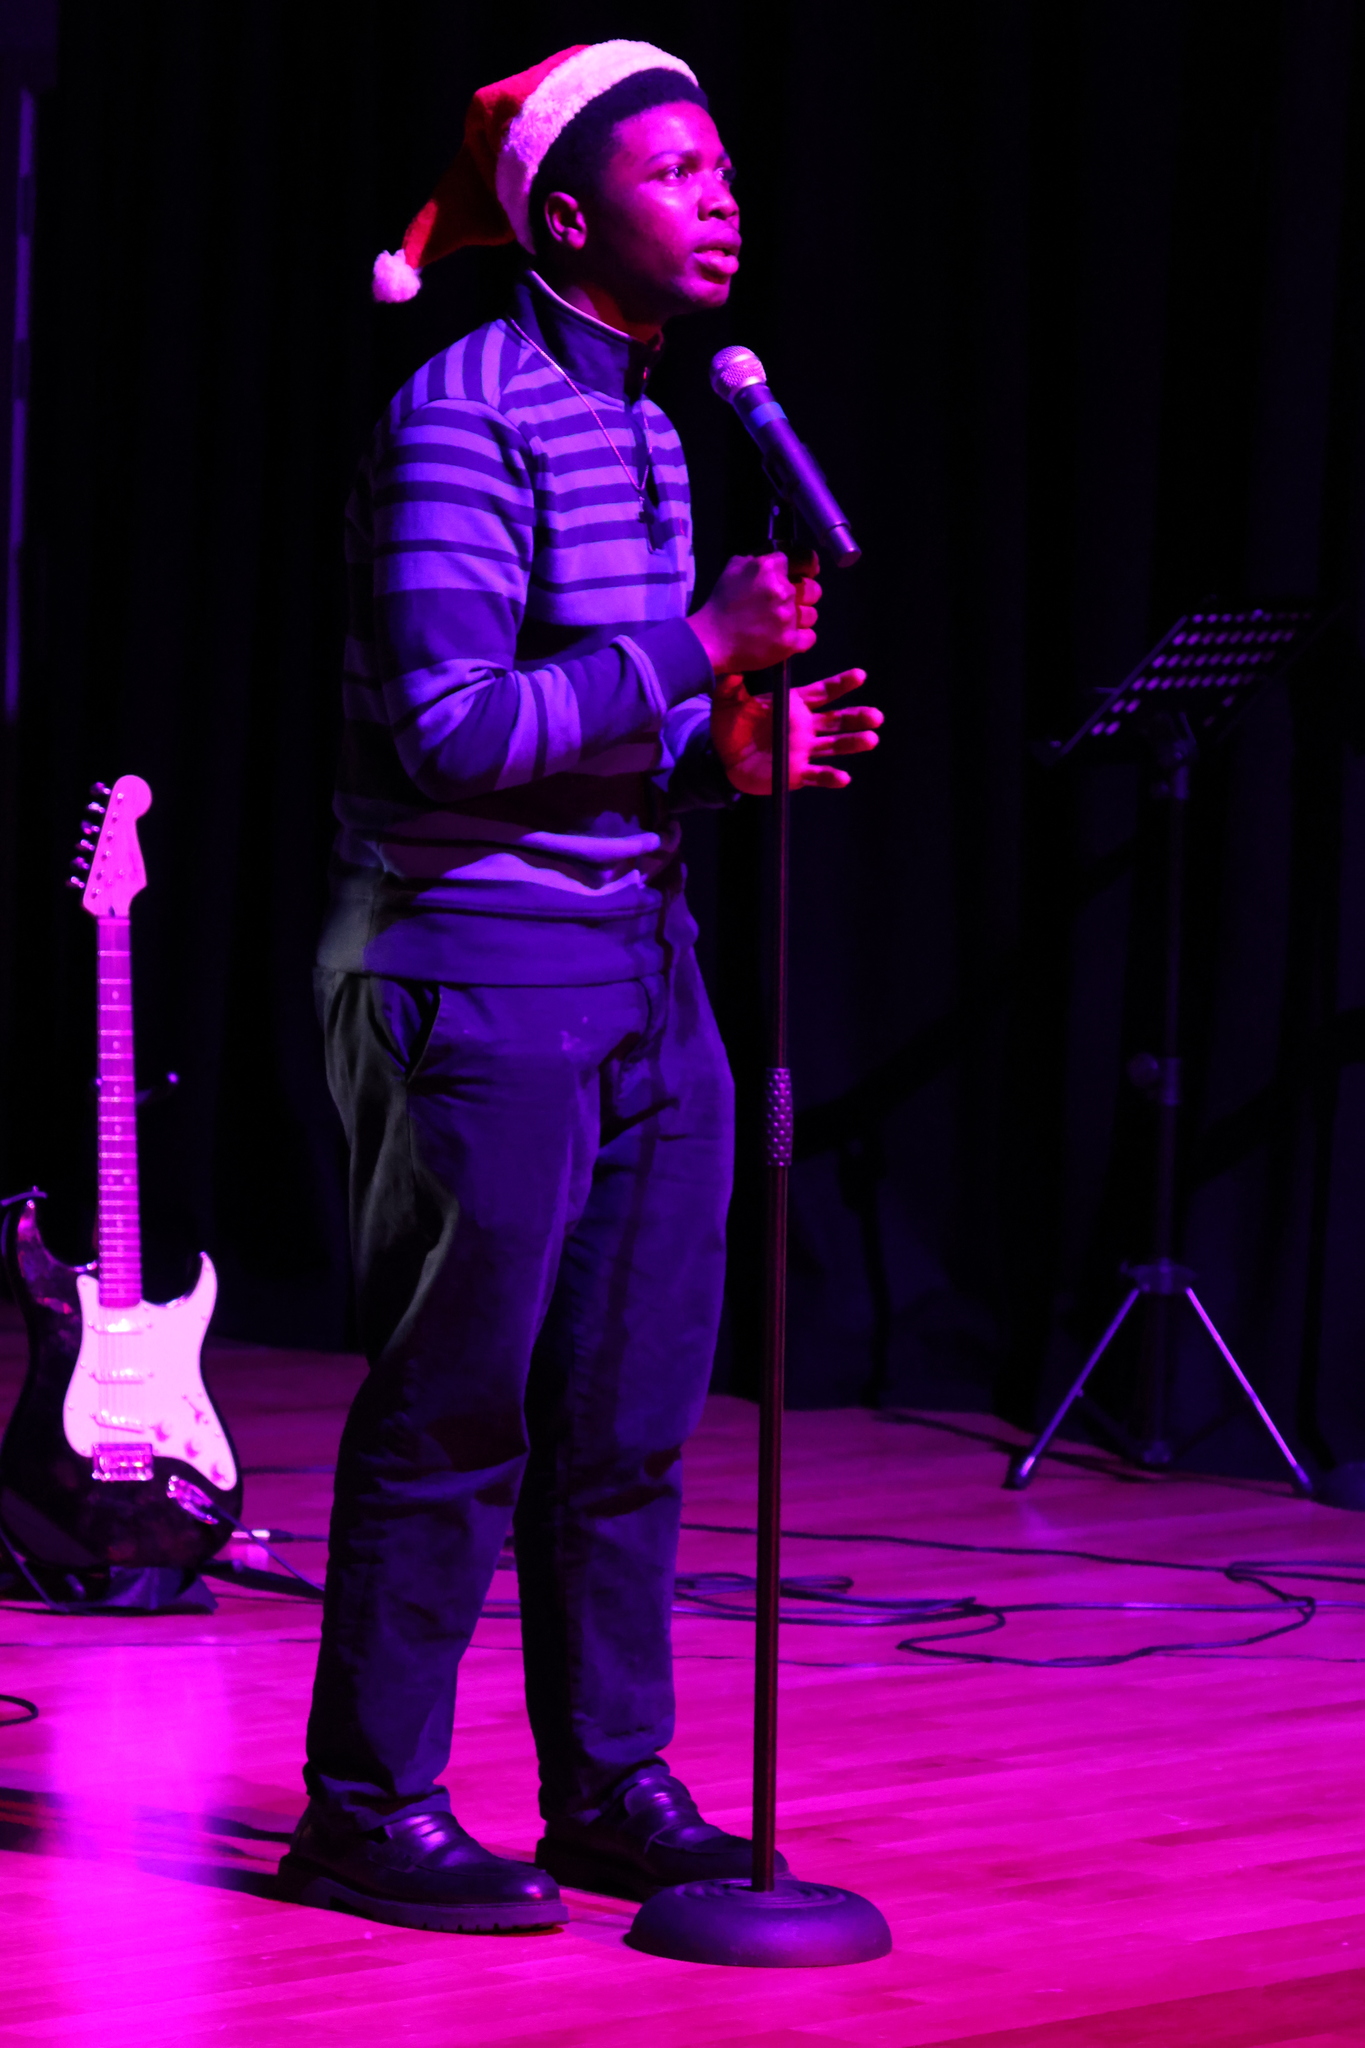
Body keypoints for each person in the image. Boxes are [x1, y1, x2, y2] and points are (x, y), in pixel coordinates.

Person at [279, 40, 882, 1933]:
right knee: (460, 1408)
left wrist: (723, 758)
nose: (721, 199)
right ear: (559, 217)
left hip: (642, 955)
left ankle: (609, 1782)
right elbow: (452, 730)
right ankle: (368, 1807)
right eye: (675, 172)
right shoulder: (459, 418)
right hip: (476, 961)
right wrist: (696, 648)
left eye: (725, 170)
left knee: (629, 1412)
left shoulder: (653, 423)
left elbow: (603, 725)